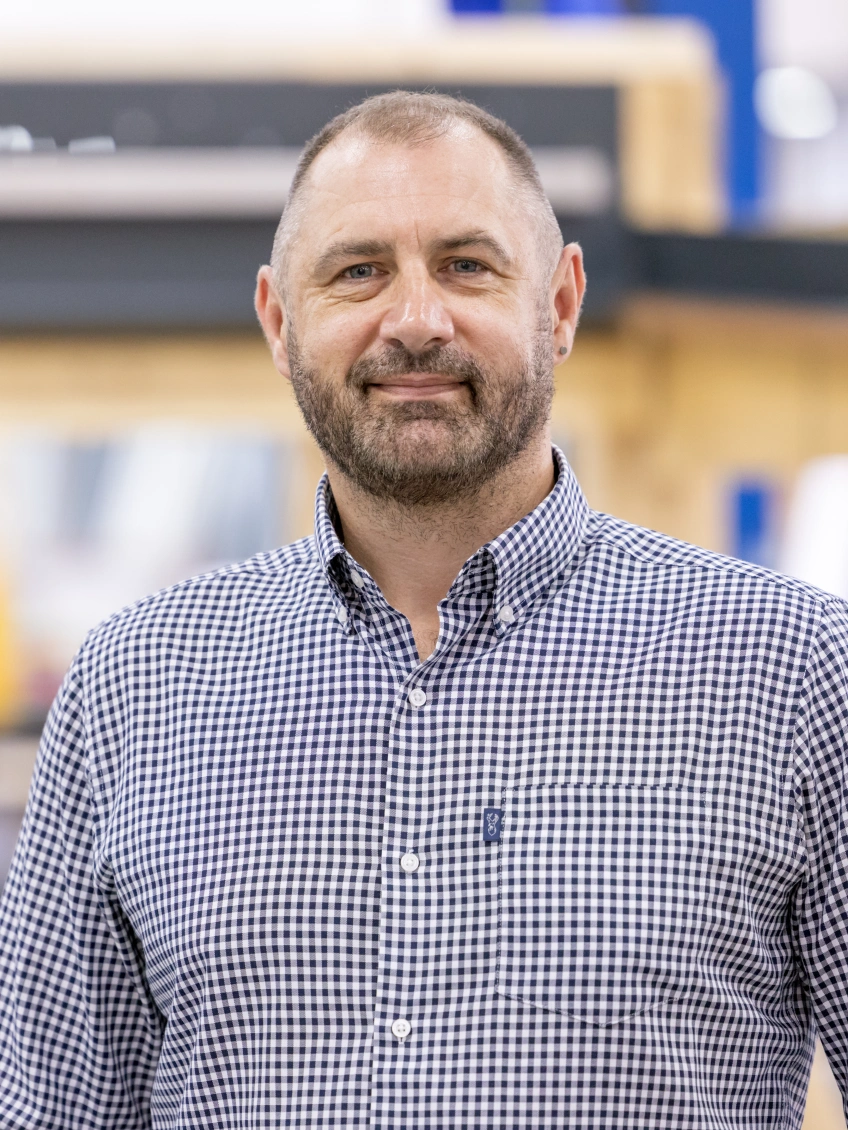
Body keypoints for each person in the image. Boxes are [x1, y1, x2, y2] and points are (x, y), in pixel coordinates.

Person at [1, 91, 847, 1130]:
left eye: (466, 265)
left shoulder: (794, 669)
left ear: (561, 302)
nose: (413, 320)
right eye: (357, 271)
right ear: (278, 320)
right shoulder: (134, 683)